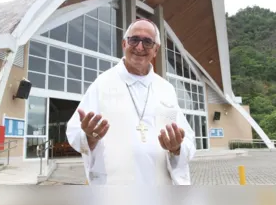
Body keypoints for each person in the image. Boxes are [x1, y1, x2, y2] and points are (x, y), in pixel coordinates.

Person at [66, 19, 196, 185]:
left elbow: (189, 140)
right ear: (124, 44)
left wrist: (176, 147)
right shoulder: (102, 83)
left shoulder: (166, 89)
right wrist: (90, 137)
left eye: (148, 42)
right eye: (134, 40)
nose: (140, 47)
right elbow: (74, 133)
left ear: (155, 50)